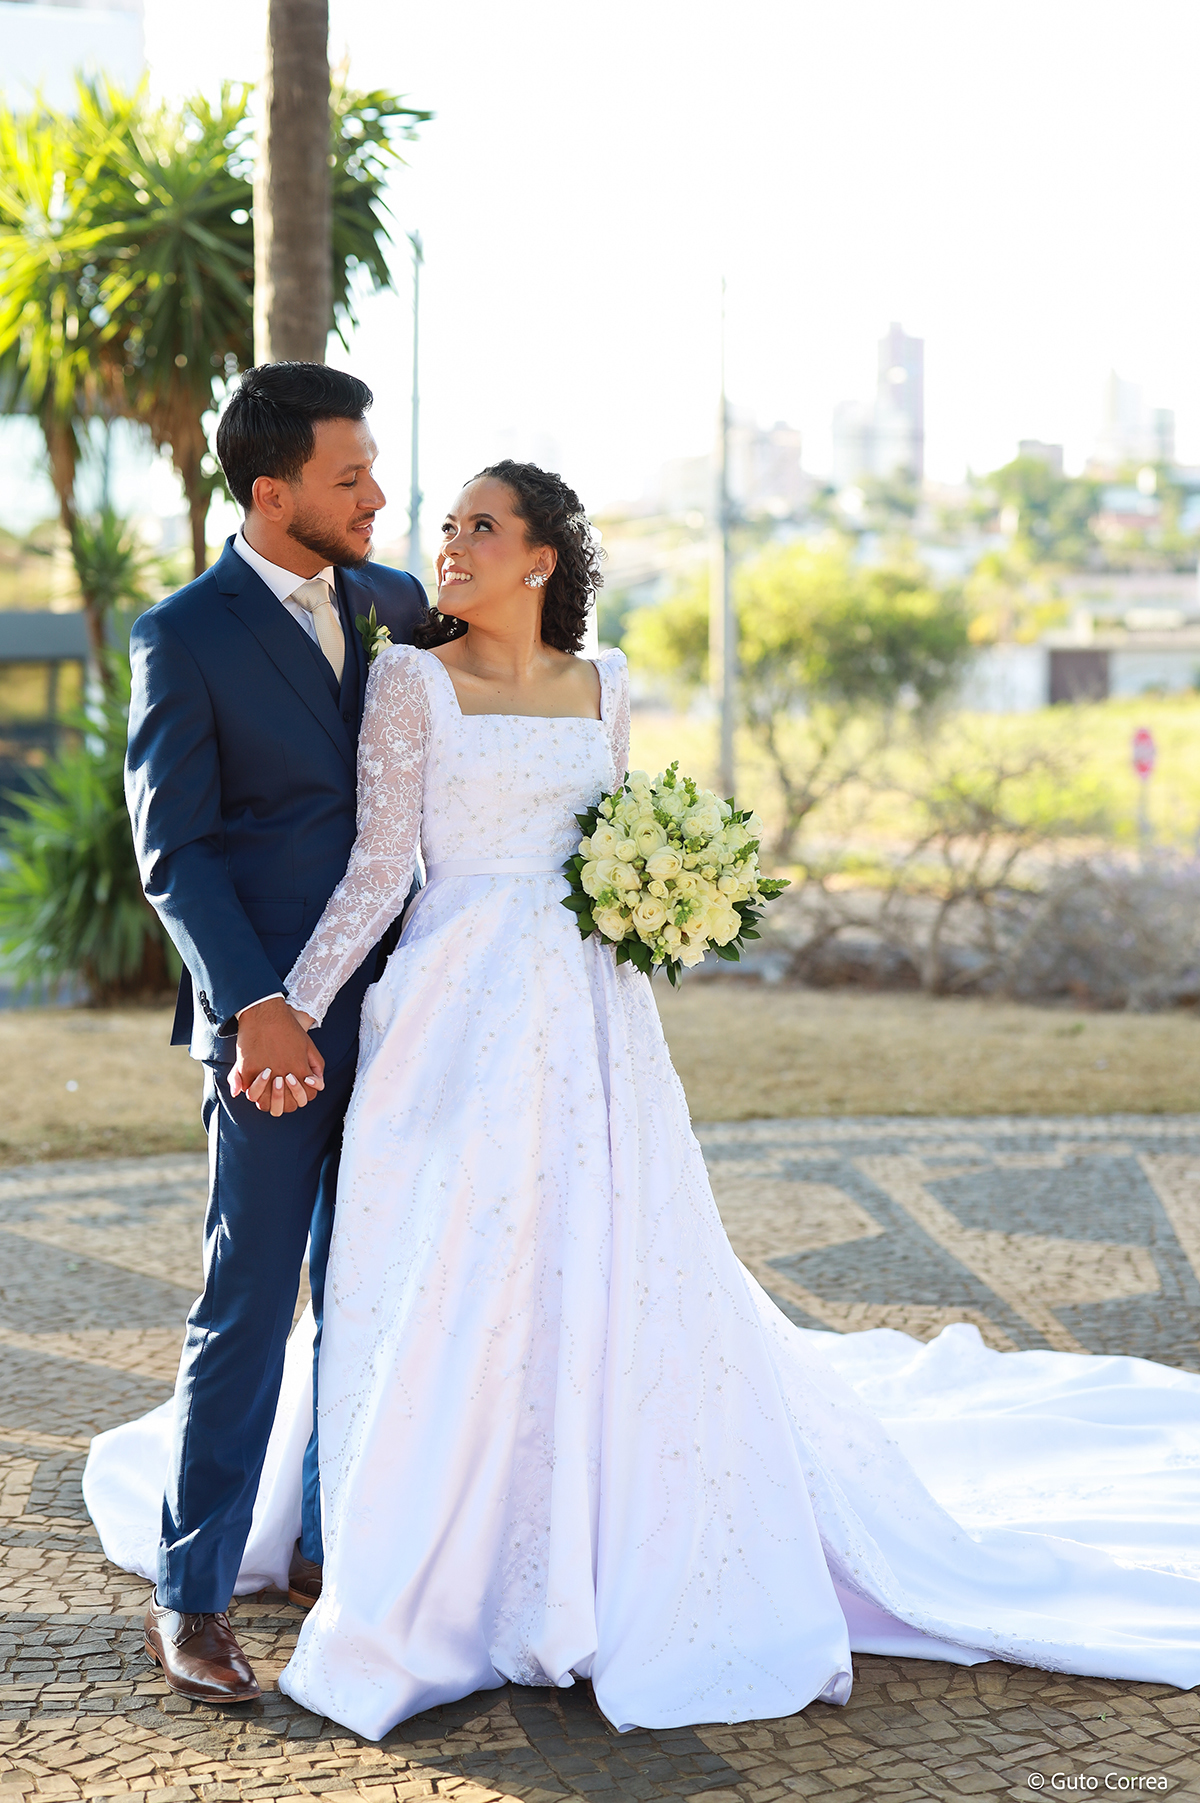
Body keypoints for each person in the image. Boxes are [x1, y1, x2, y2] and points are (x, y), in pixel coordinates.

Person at [87, 461, 1200, 1740]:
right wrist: (275, 1012)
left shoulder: (607, 682)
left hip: (592, 1018)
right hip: (451, 1013)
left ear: (541, 558)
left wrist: (662, 896)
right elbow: (381, 872)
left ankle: (594, 1540)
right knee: (445, 1276)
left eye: (479, 527)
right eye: (445, 525)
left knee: (601, 1264)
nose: (447, 543)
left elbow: (608, 836)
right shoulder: (409, 677)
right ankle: (414, 1555)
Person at [112, 363, 427, 1705]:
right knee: (247, 1301)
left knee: (373, 1289)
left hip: (412, 1012)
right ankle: (190, 1594)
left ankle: (323, 1544)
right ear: (271, 491)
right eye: (350, 477)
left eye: (373, 470)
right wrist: (258, 1009)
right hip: (269, 1035)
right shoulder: (183, 635)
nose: (377, 495)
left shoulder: (397, 602)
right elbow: (174, 850)